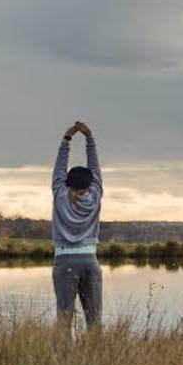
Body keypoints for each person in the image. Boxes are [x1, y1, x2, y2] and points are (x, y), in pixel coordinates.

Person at [51, 120, 102, 329]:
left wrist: (66, 139)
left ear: (67, 183)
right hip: (90, 261)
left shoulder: (60, 194)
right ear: (90, 183)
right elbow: (95, 168)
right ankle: (96, 357)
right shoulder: (96, 195)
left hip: (64, 261)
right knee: (94, 318)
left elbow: (59, 168)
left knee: (64, 317)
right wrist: (89, 138)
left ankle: (62, 360)